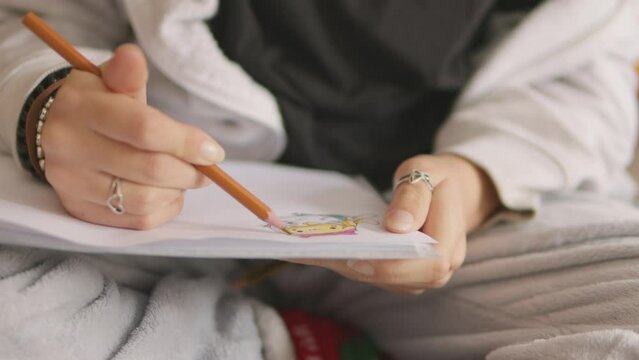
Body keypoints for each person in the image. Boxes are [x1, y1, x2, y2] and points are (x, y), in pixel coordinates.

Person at [1, 1, 638, 359]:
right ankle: (281, 344)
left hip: (445, 233)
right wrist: (44, 108)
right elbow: (34, 18)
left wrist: (478, 179)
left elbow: (592, 69)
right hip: (150, 214)